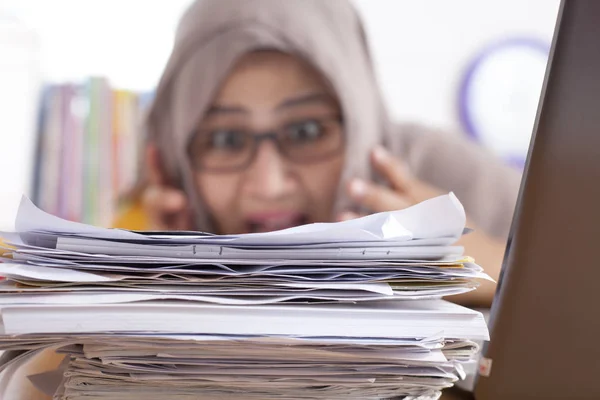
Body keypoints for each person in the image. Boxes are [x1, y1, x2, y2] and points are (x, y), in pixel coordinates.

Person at [6, 0, 520, 398]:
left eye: (308, 129)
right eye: (226, 140)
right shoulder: (151, 218)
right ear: (180, 157)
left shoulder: (444, 177)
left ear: (360, 118)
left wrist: (480, 268)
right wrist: (148, 288)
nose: (268, 183)